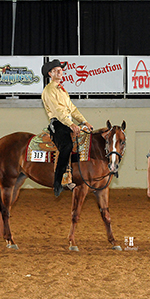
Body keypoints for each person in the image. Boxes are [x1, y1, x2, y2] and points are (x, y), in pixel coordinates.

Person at [41, 59, 93, 197]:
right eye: (56, 71)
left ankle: (71, 176)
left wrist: (84, 122)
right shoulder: (49, 90)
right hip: (58, 123)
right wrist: (71, 124)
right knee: (67, 146)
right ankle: (57, 181)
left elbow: (72, 109)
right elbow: (58, 111)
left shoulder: (62, 90)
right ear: (50, 74)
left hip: (68, 123)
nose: (59, 72)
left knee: (82, 144)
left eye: (60, 70)